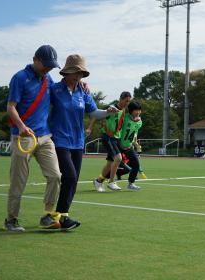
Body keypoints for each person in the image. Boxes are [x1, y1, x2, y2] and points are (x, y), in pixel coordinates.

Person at [50, 54, 117, 230]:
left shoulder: (84, 91)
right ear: (66, 73)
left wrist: (108, 111)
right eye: (75, 72)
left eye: (80, 73)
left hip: (78, 142)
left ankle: (62, 216)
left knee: (73, 179)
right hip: (59, 140)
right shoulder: (54, 90)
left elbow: (94, 113)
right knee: (69, 176)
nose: (78, 77)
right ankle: (58, 215)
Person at [4, 45, 62, 232]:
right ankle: (11, 219)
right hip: (23, 137)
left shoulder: (49, 79)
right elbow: (11, 107)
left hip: (44, 136)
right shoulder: (20, 78)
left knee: (55, 176)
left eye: (51, 66)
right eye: (46, 65)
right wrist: (21, 126)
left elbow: (59, 94)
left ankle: (47, 215)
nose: (48, 69)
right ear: (35, 59)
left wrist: (78, 84)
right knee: (18, 180)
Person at [93, 91, 131, 192]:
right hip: (108, 137)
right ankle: (111, 182)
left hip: (116, 138)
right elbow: (97, 116)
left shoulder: (123, 110)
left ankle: (98, 181)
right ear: (121, 99)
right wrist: (90, 128)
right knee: (118, 158)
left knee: (110, 163)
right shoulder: (111, 108)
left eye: (129, 101)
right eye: (126, 101)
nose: (127, 103)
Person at [102, 101, 143, 190]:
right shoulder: (124, 118)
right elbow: (117, 126)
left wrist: (135, 142)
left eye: (139, 110)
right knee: (111, 164)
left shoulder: (139, 122)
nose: (138, 112)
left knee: (136, 165)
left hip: (128, 147)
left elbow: (135, 132)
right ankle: (100, 180)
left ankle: (131, 184)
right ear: (131, 111)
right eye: (136, 110)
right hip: (118, 145)